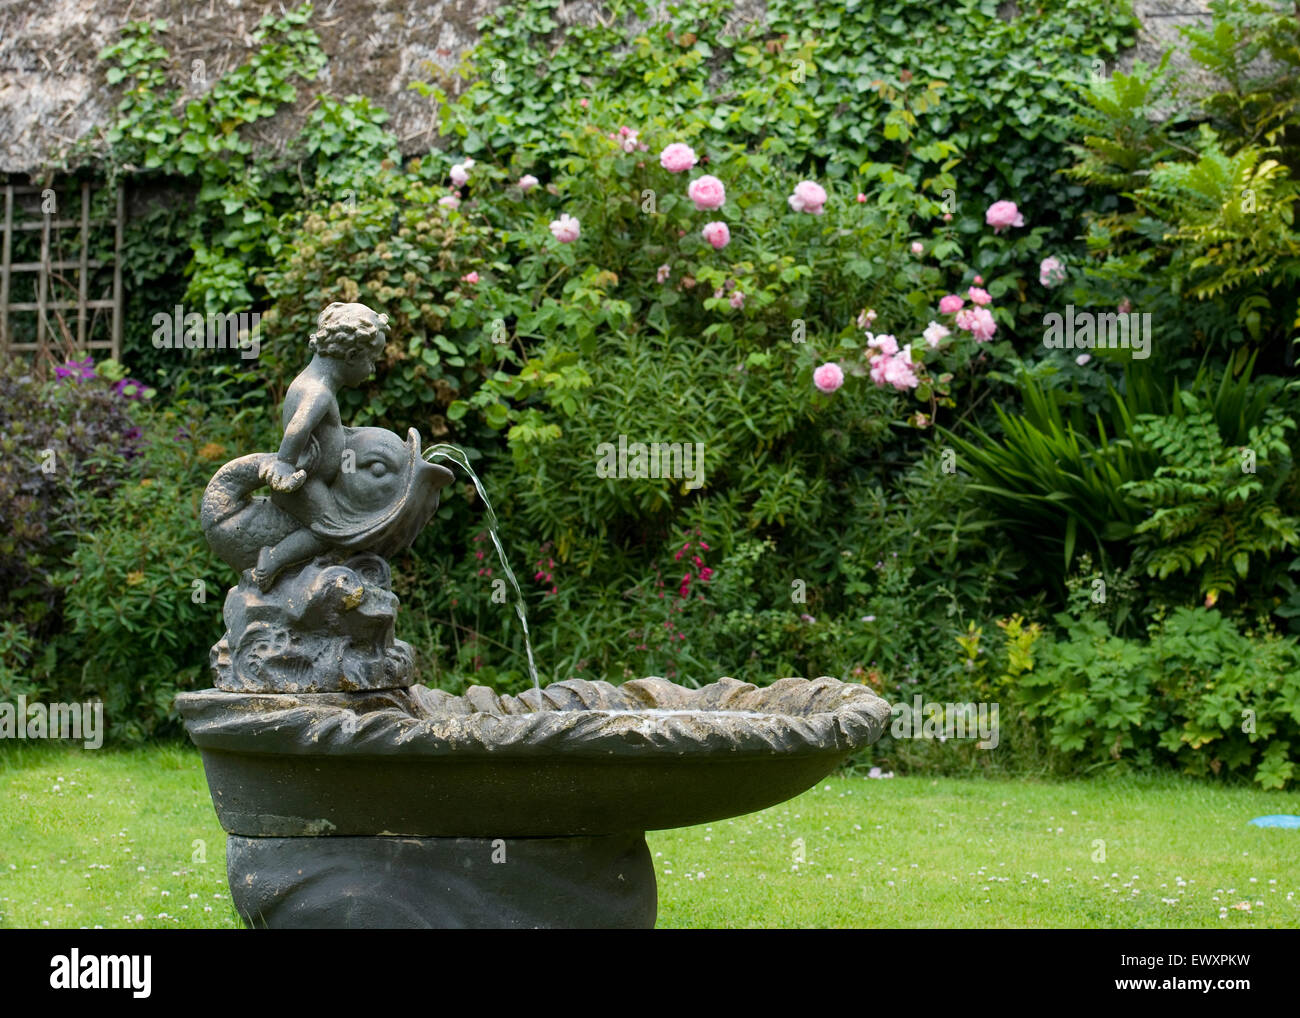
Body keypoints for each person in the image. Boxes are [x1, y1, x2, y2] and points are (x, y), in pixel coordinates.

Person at [251, 302, 389, 591]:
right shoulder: (318, 391)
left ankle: (316, 570)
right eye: (371, 360)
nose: (372, 369)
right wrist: (285, 464)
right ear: (351, 356)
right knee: (331, 530)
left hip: (318, 478)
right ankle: (271, 560)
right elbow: (298, 426)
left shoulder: (315, 383)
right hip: (305, 484)